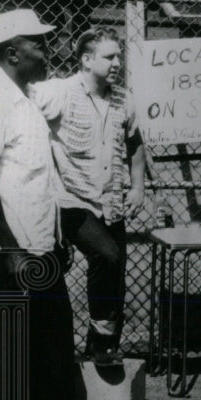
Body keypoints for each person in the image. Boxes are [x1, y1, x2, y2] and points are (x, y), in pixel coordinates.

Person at [0, 9, 109, 400]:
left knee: (51, 335)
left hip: (39, 244)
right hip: (5, 248)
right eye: (38, 44)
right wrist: (12, 251)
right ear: (12, 52)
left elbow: (35, 179)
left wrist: (53, 238)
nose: (48, 51)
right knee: (11, 342)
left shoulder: (26, 98)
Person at [31, 27, 145, 366]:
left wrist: (137, 186)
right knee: (107, 255)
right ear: (86, 59)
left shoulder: (125, 98)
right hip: (69, 199)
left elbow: (135, 143)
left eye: (119, 56)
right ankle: (94, 343)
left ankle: (102, 345)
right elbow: (22, 109)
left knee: (117, 268)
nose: (117, 63)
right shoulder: (61, 93)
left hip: (111, 199)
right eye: (109, 57)